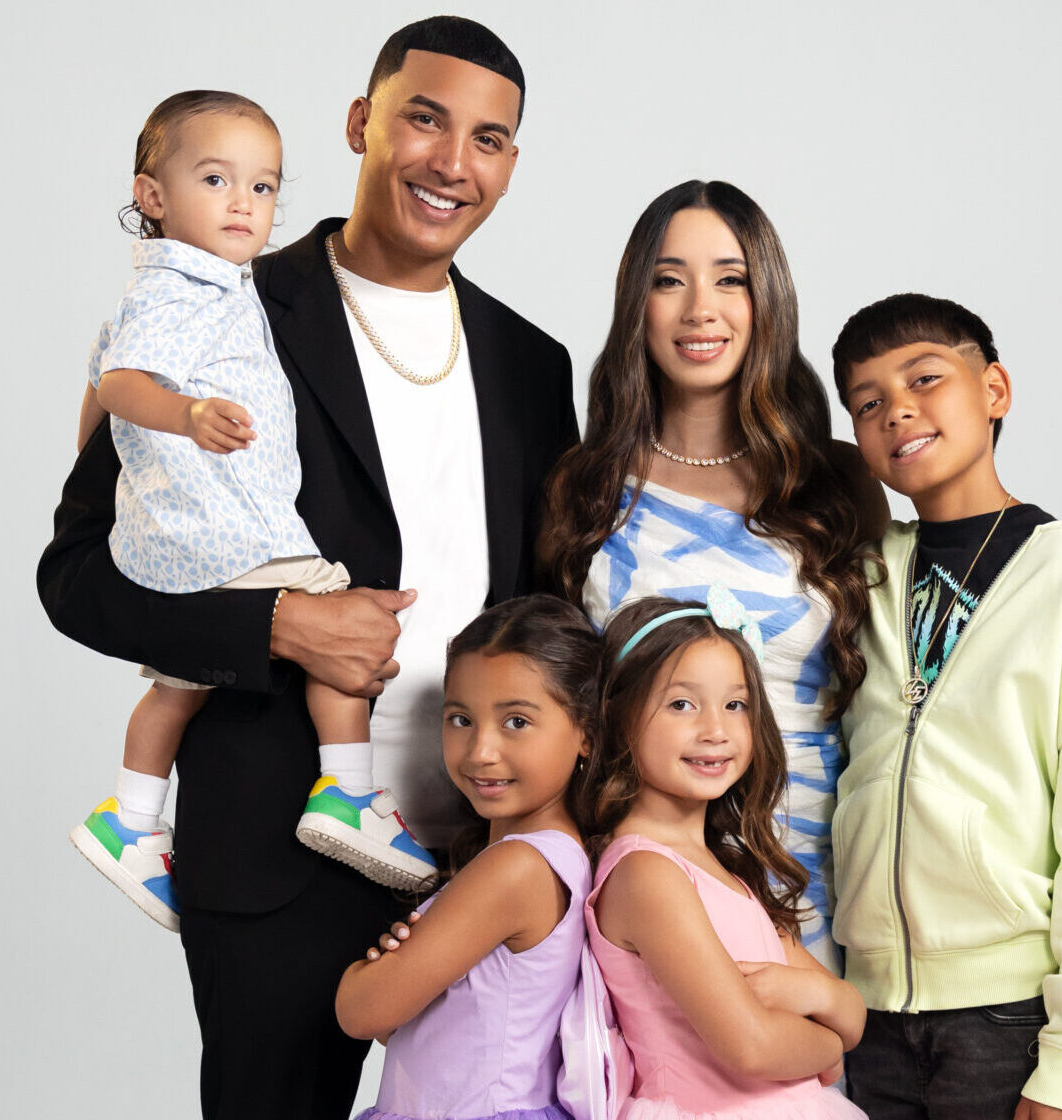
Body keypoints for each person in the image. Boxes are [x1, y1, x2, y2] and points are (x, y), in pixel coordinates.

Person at [37, 16, 576, 1117]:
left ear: (510, 165)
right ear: (362, 122)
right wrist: (276, 624)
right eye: (423, 119)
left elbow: (551, 607)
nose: (451, 161)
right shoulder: (221, 298)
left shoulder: (533, 362)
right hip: (279, 855)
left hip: (489, 855)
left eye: (486, 139)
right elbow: (77, 574)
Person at [67, 92, 435, 935]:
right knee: (340, 620)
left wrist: (115, 463)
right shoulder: (184, 290)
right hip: (227, 530)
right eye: (215, 180)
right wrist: (185, 417)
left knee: (177, 685)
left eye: (263, 187)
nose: (243, 203)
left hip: (187, 534)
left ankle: (131, 819)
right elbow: (122, 385)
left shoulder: (190, 285)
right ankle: (347, 792)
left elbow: (98, 395)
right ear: (152, 196)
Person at [828, 294, 1062, 1120]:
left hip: (1007, 1023)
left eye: (924, 379)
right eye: (866, 403)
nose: (896, 410)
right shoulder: (863, 575)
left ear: (994, 390)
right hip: (868, 1022)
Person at [541, 180, 886, 974]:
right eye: (669, 280)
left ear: (768, 302)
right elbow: (555, 705)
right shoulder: (583, 487)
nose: (701, 309)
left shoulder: (835, 482)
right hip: (646, 889)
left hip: (814, 878)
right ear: (636, 304)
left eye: (730, 279)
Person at [583, 591, 869, 1120]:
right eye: (681, 704)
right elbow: (752, 1047)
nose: (716, 730)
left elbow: (852, 1010)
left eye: (735, 705)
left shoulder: (727, 868)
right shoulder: (646, 873)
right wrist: (829, 1045)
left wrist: (815, 995)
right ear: (616, 714)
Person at [336, 595, 597, 1120]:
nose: (480, 751)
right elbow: (424, 1027)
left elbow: (363, 1014)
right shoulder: (550, 856)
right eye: (460, 719)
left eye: (516, 721)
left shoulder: (516, 868)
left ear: (587, 733)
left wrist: (366, 978)